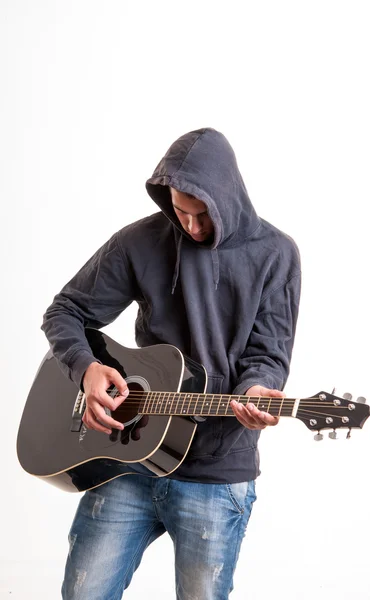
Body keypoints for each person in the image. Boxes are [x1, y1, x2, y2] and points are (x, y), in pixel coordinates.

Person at [42, 127, 301, 599]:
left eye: (202, 215)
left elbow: (268, 354)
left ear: (228, 199)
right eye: (180, 212)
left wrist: (256, 391)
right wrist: (86, 368)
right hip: (127, 460)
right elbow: (66, 311)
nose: (191, 227)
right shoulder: (140, 241)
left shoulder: (276, 254)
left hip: (216, 472)